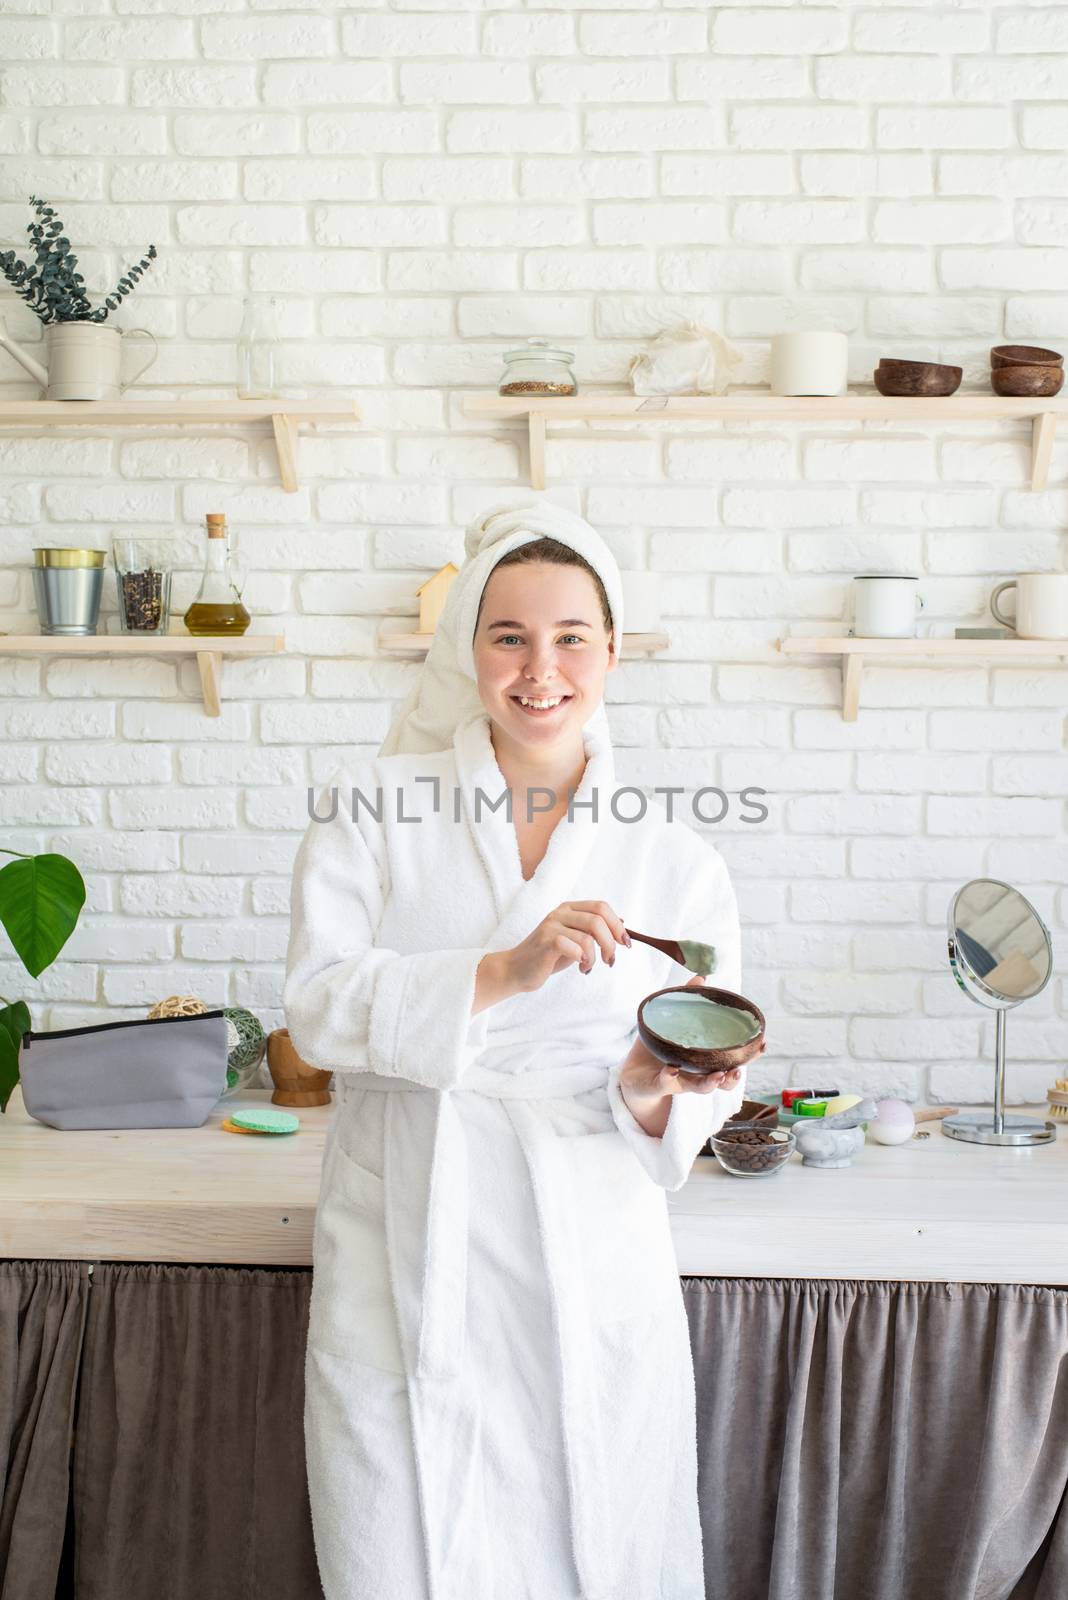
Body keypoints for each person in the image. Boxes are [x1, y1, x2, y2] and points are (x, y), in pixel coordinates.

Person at [283, 500, 750, 1600]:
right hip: (410, 1214)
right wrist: (503, 968)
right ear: (468, 650)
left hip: (585, 1231)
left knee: (595, 1526)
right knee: (402, 1535)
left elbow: (702, 1066)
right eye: (508, 636)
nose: (541, 668)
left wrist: (653, 1090)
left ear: (613, 651)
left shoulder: (673, 849)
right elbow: (314, 1007)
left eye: (570, 636)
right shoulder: (374, 806)